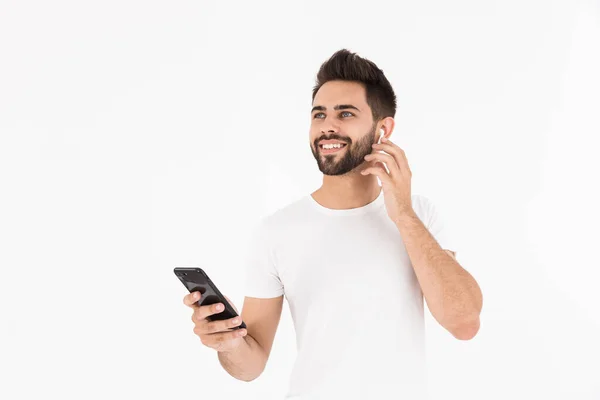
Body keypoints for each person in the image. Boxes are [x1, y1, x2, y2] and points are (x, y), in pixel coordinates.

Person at [182, 49, 483, 399]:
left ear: (383, 129)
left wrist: (401, 213)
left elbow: (464, 323)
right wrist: (228, 343)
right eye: (319, 114)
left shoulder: (419, 216)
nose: (328, 126)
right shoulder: (276, 232)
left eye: (346, 113)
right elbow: (251, 366)